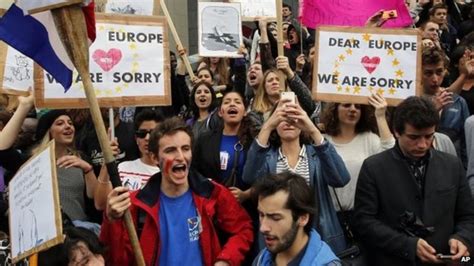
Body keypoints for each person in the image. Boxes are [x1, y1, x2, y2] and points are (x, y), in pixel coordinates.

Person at [100, 117, 254, 265]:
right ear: (154, 158)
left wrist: (225, 261)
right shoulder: (135, 205)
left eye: (185, 149)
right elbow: (116, 260)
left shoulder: (212, 193)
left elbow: (243, 229)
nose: (180, 157)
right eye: (171, 150)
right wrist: (112, 221)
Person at [353, 96, 474, 265]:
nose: (423, 145)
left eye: (429, 136)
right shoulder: (374, 168)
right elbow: (364, 222)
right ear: (396, 131)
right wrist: (407, 245)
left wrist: (462, 238)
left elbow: (467, 216)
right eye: (414, 137)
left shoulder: (452, 165)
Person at [243, 99, 350, 254]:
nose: (289, 122)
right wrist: (266, 126)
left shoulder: (317, 154)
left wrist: (313, 130)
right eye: (282, 118)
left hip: (320, 237)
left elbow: (341, 179)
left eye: (294, 117)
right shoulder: (266, 158)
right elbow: (249, 177)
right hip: (278, 239)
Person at [322, 94, 395, 213]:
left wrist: (380, 116)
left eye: (358, 107)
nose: (352, 109)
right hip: (329, 217)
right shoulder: (323, 142)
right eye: (346, 105)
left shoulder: (369, 139)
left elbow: (392, 154)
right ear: (335, 110)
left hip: (362, 214)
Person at [252, 171, 340, 265]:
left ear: (303, 218)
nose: (263, 228)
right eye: (261, 215)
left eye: (275, 218)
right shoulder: (261, 260)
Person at [94, 108, 162, 210]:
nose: (147, 138)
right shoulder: (123, 167)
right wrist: (106, 162)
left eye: (153, 133)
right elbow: (101, 204)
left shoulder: (168, 172)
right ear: (136, 139)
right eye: (141, 134)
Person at [422, 46, 469, 165]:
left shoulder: (458, 102)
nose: (435, 79)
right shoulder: (411, 101)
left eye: (439, 72)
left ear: (445, 70)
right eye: (428, 73)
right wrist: (431, 112)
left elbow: (466, 144)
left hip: (452, 166)